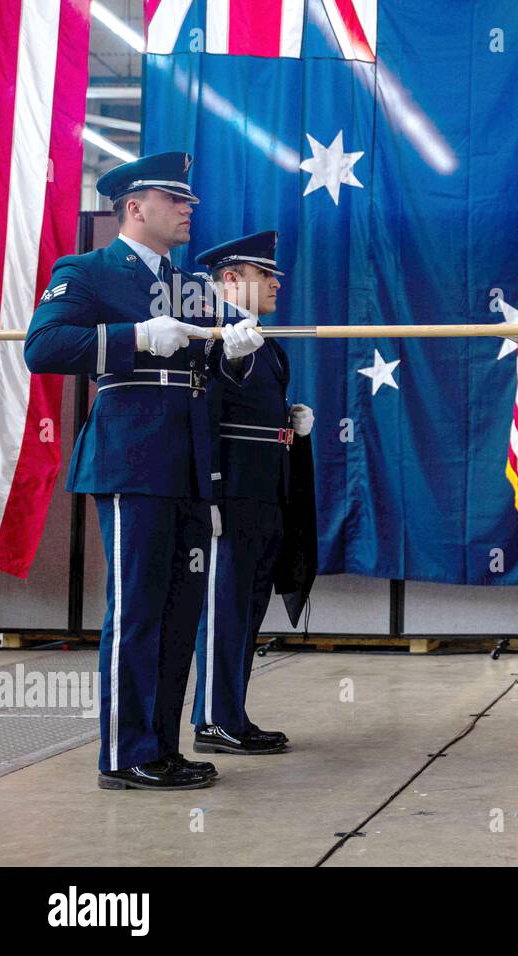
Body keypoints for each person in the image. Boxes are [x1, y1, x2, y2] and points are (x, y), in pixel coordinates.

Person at [24, 152, 264, 790]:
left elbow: (211, 373)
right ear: (135, 206)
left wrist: (236, 356)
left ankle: (160, 745)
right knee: (135, 608)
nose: (190, 209)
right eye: (176, 199)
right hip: (132, 454)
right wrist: (132, 336)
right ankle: (124, 755)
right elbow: (42, 347)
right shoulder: (89, 270)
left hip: (187, 459)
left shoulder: (190, 287)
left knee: (179, 608)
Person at [191, 230, 313, 756]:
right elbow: (205, 414)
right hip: (232, 490)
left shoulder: (265, 343)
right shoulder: (210, 336)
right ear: (233, 280)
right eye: (267, 275)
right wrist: (211, 494)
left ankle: (231, 714)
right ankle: (214, 719)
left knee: (247, 606)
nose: (277, 283)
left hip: (265, 489)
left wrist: (286, 425)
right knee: (223, 606)